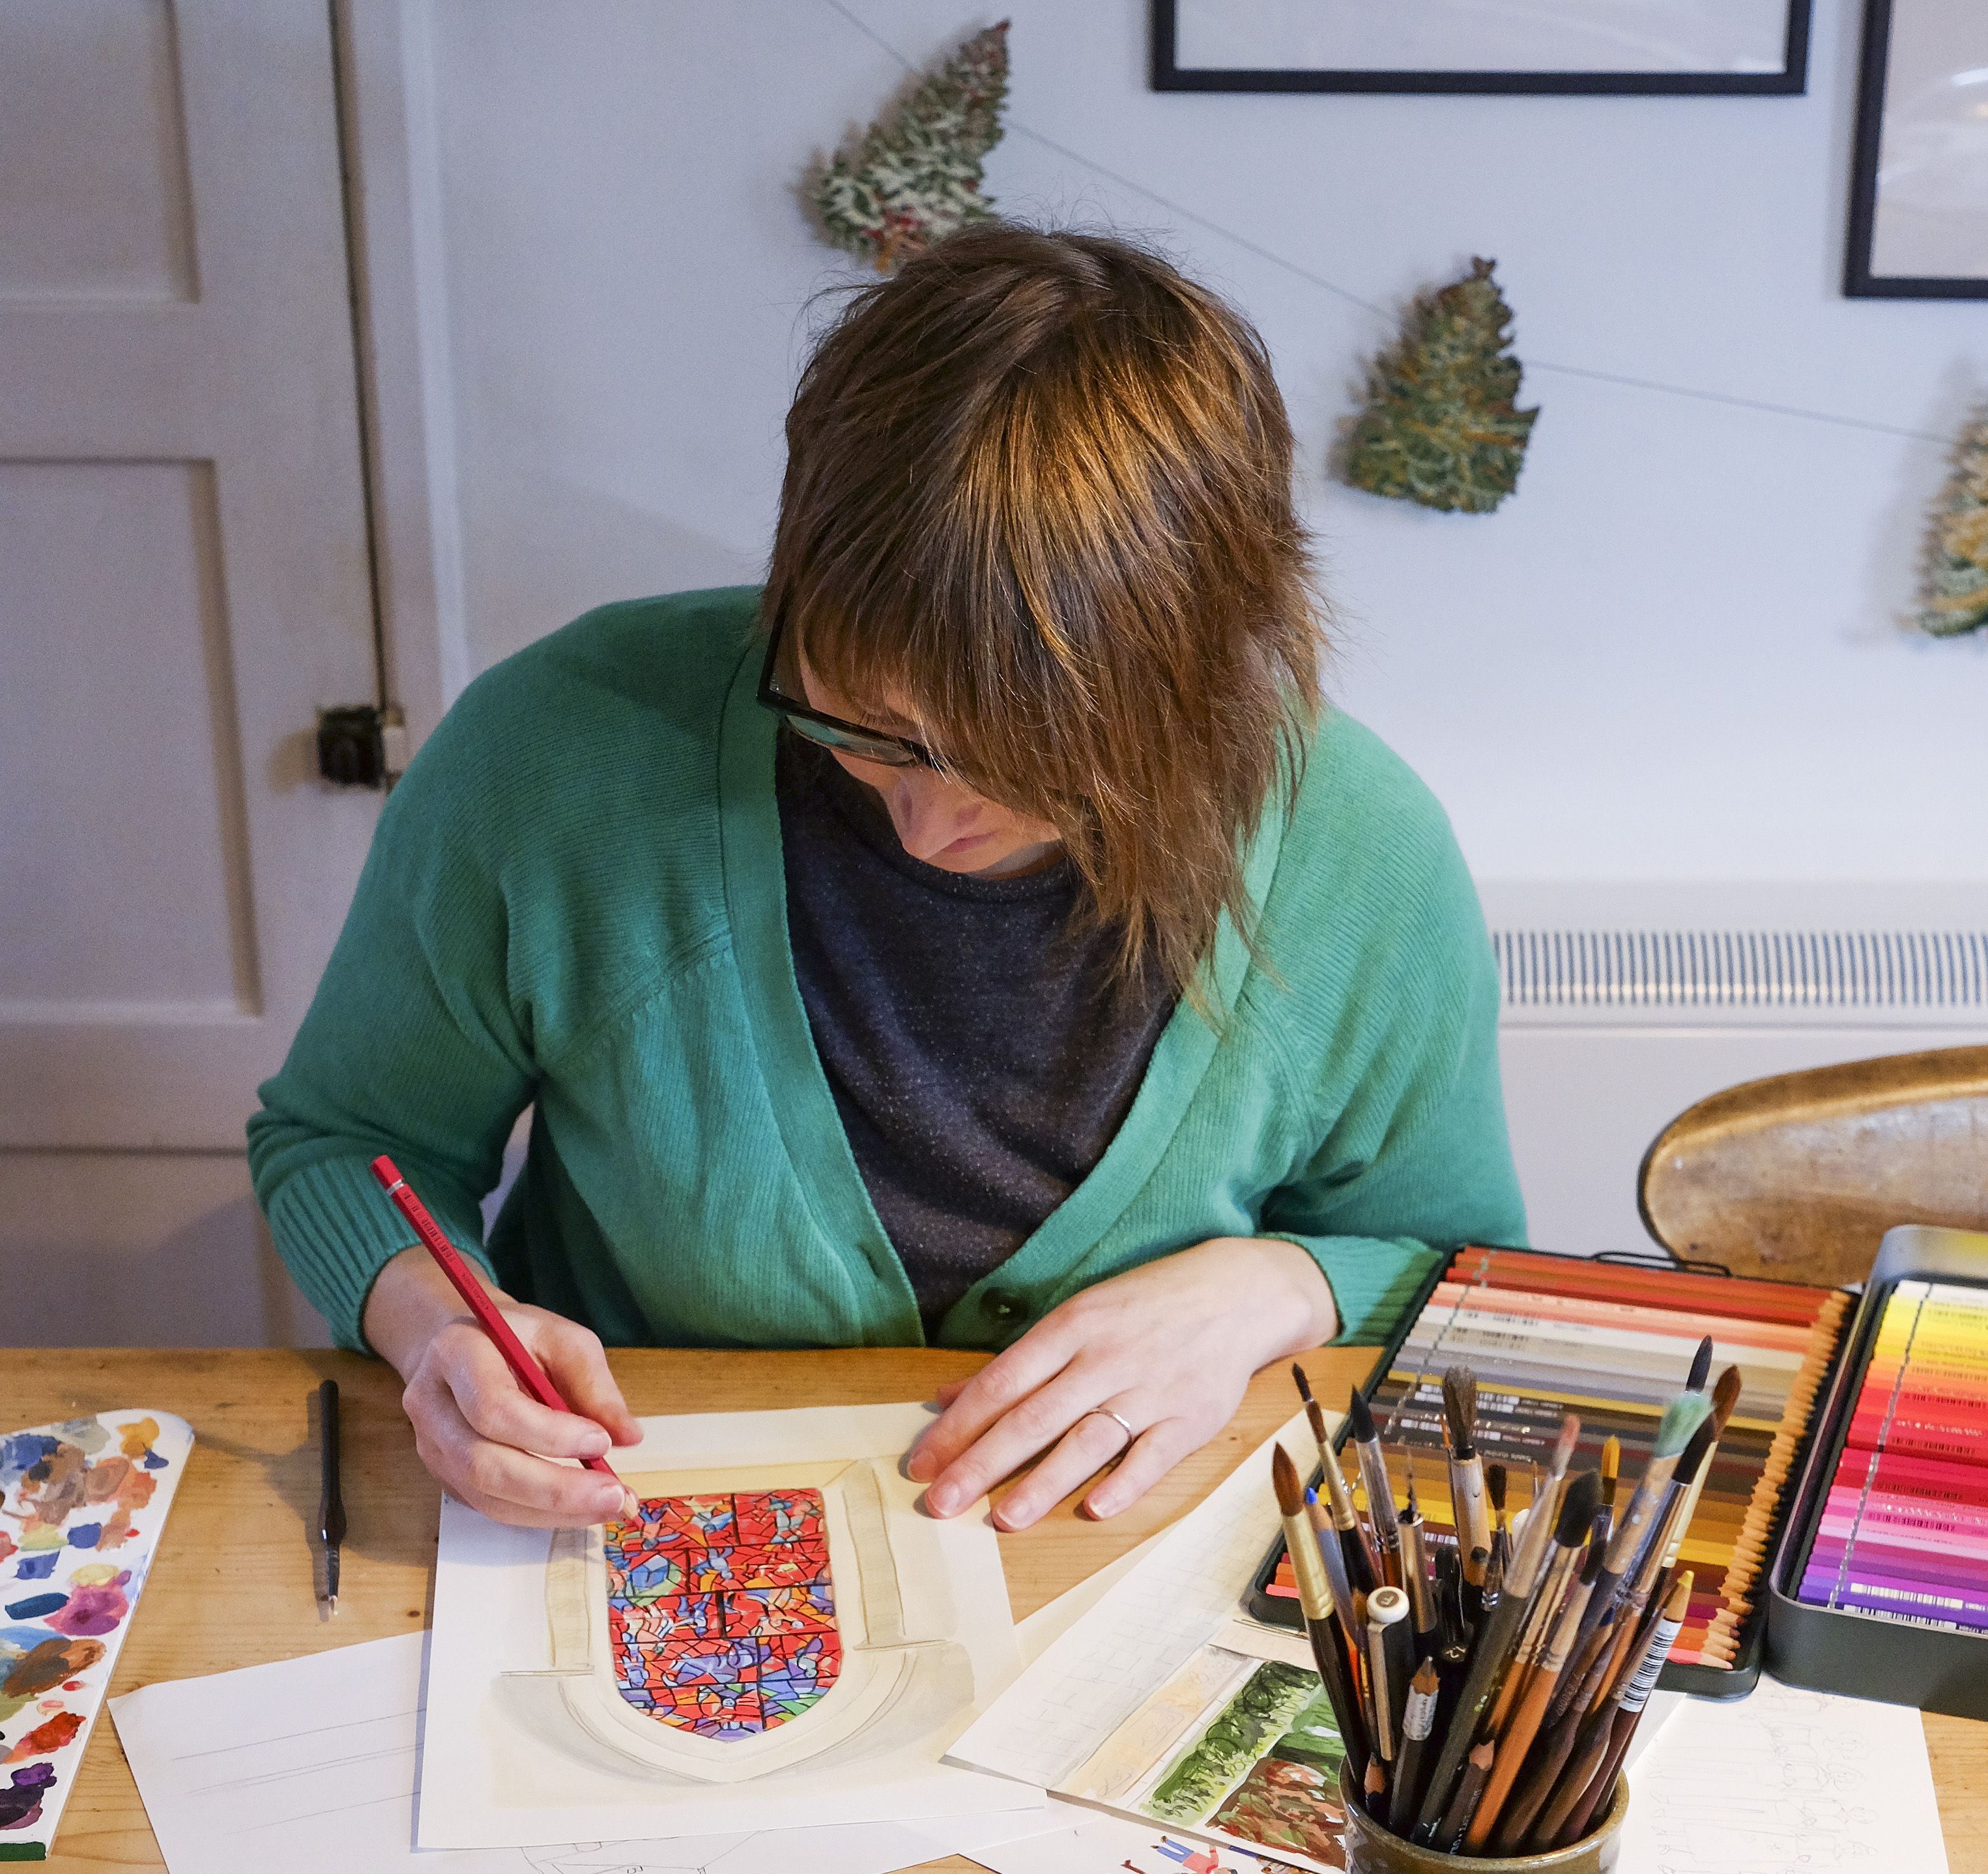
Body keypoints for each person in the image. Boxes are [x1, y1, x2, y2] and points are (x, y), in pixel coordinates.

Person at [249, 225, 1522, 1534]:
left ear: (1191, 692)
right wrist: (432, 1326)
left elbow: (1477, 1282)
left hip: (1118, 1572)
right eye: (863, 730)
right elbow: (348, 1143)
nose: (924, 823)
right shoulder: (557, 755)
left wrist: (1278, 1287)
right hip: (634, 1543)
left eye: (1038, 766)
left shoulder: (1356, 852)